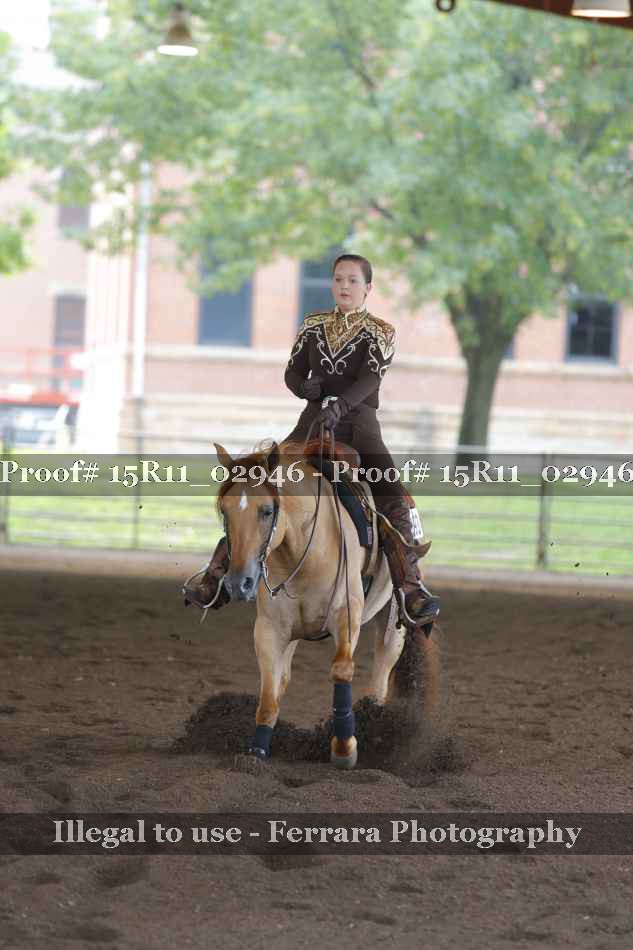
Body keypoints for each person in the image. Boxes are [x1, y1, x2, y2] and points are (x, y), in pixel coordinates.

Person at [184, 253, 440, 629]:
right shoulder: (312, 325)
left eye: (353, 280)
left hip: (360, 428)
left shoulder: (381, 331)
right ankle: (217, 573)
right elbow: (292, 371)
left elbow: (370, 380)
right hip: (309, 426)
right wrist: (303, 388)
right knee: (255, 484)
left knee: (392, 493)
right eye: (338, 279)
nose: (344, 286)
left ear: (368, 288)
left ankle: (410, 587)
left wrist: (341, 408)